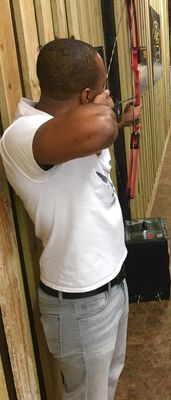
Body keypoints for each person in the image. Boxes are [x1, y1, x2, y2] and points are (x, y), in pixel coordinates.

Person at [0, 38, 140, 399]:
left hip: (110, 284)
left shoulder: (68, 131)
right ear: (86, 95)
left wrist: (120, 121)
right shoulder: (23, 134)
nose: (108, 95)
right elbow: (98, 127)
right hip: (80, 302)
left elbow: (96, 130)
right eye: (102, 89)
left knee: (106, 384)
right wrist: (106, 115)